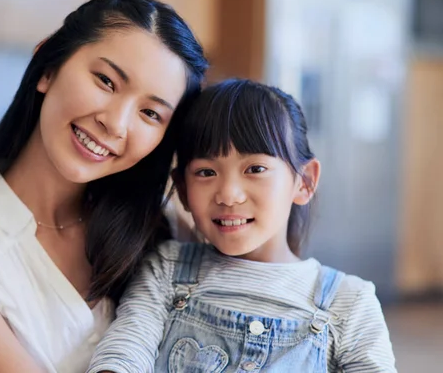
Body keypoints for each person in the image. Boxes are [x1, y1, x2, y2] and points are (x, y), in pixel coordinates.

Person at [0, 0, 208, 373]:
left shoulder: (164, 225)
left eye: (150, 113)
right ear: (47, 67)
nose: (116, 123)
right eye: (106, 81)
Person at [87, 79, 397, 373]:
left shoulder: (350, 303)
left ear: (303, 182)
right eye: (206, 173)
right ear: (182, 190)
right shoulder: (166, 269)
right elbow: (125, 351)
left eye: (255, 169)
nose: (228, 195)